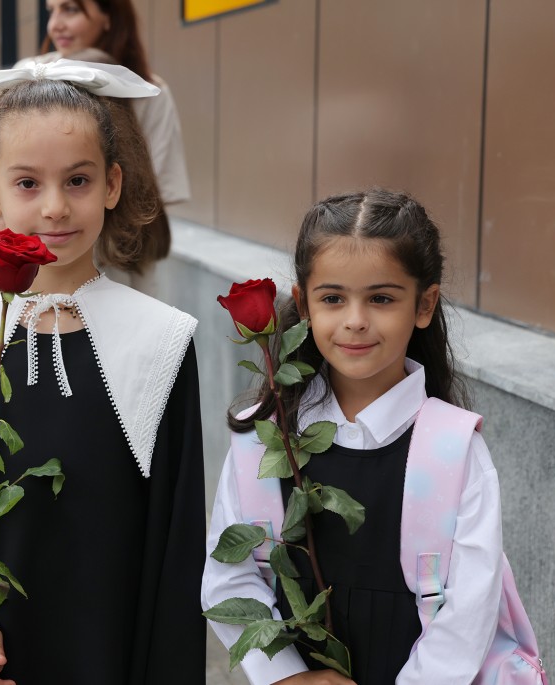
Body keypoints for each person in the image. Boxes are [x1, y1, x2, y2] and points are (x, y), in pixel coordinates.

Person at [0, 61, 206, 685]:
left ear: (113, 184)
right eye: (28, 183)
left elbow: (177, 543)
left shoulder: (160, 340)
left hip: (112, 654)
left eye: (79, 180)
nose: (56, 207)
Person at [202, 189, 503, 684]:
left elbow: (471, 607)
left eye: (381, 298)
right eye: (333, 298)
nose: (356, 320)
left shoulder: (453, 448)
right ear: (303, 303)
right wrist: (290, 677)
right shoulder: (265, 437)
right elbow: (230, 578)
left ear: (424, 305)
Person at [22, 0, 191, 294]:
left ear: (109, 16)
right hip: (41, 258)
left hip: (122, 263)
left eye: (70, 9)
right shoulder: (32, 77)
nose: (55, 24)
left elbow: (157, 191)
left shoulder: (148, 92)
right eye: (52, 11)